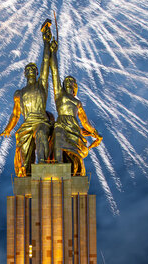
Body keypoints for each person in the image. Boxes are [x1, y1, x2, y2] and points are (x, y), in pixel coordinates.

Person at [0, 22, 55, 177]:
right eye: (28, 69)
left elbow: (45, 62)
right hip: (26, 124)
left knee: (41, 135)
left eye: (33, 69)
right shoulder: (19, 93)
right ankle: (27, 171)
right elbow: (15, 114)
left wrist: (46, 41)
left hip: (40, 121)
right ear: (24, 74)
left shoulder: (41, 84)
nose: (31, 70)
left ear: (37, 73)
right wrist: (8, 128)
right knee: (24, 150)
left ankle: (43, 164)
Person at [49, 38, 102, 176]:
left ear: (74, 87)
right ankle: (58, 167)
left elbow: (84, 121)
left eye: (71, 81)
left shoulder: (77, 102)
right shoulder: (59, 95)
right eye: (66, 81)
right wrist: (53, 52)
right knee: (58, 135)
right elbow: (55, 72)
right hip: (61, 123)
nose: (68, 82)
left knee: (74, 154)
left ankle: (74, 172)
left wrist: (95, 132)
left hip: (74, 127)